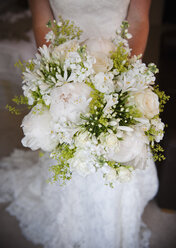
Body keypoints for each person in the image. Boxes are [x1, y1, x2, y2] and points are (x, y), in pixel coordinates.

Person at [0, 0, 158, 247]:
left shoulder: (122, 72)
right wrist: (61, 76)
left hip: (119, 64)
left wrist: (123, 78)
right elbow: (43, 21)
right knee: (69, 148)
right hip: (66, 69)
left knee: (120, 147)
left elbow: (138, 20)